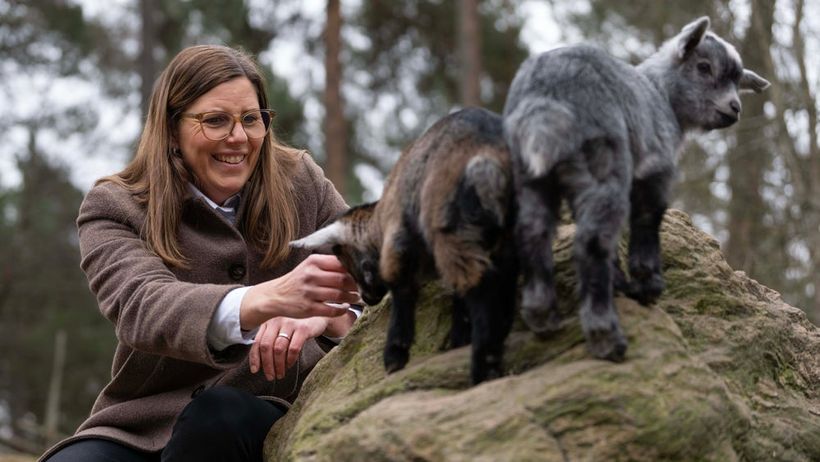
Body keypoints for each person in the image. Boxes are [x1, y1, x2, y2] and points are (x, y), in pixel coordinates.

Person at [40, 44, 360, 462]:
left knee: (218, 418)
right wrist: (265, 300)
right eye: (215, 121)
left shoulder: (302, 181)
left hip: (276, 411)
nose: (239, 138)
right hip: (146, 423)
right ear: (172, 127)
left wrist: (325, 315)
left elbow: (371, 279)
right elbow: (143, 306)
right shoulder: (115, 206)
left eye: (251, 119)